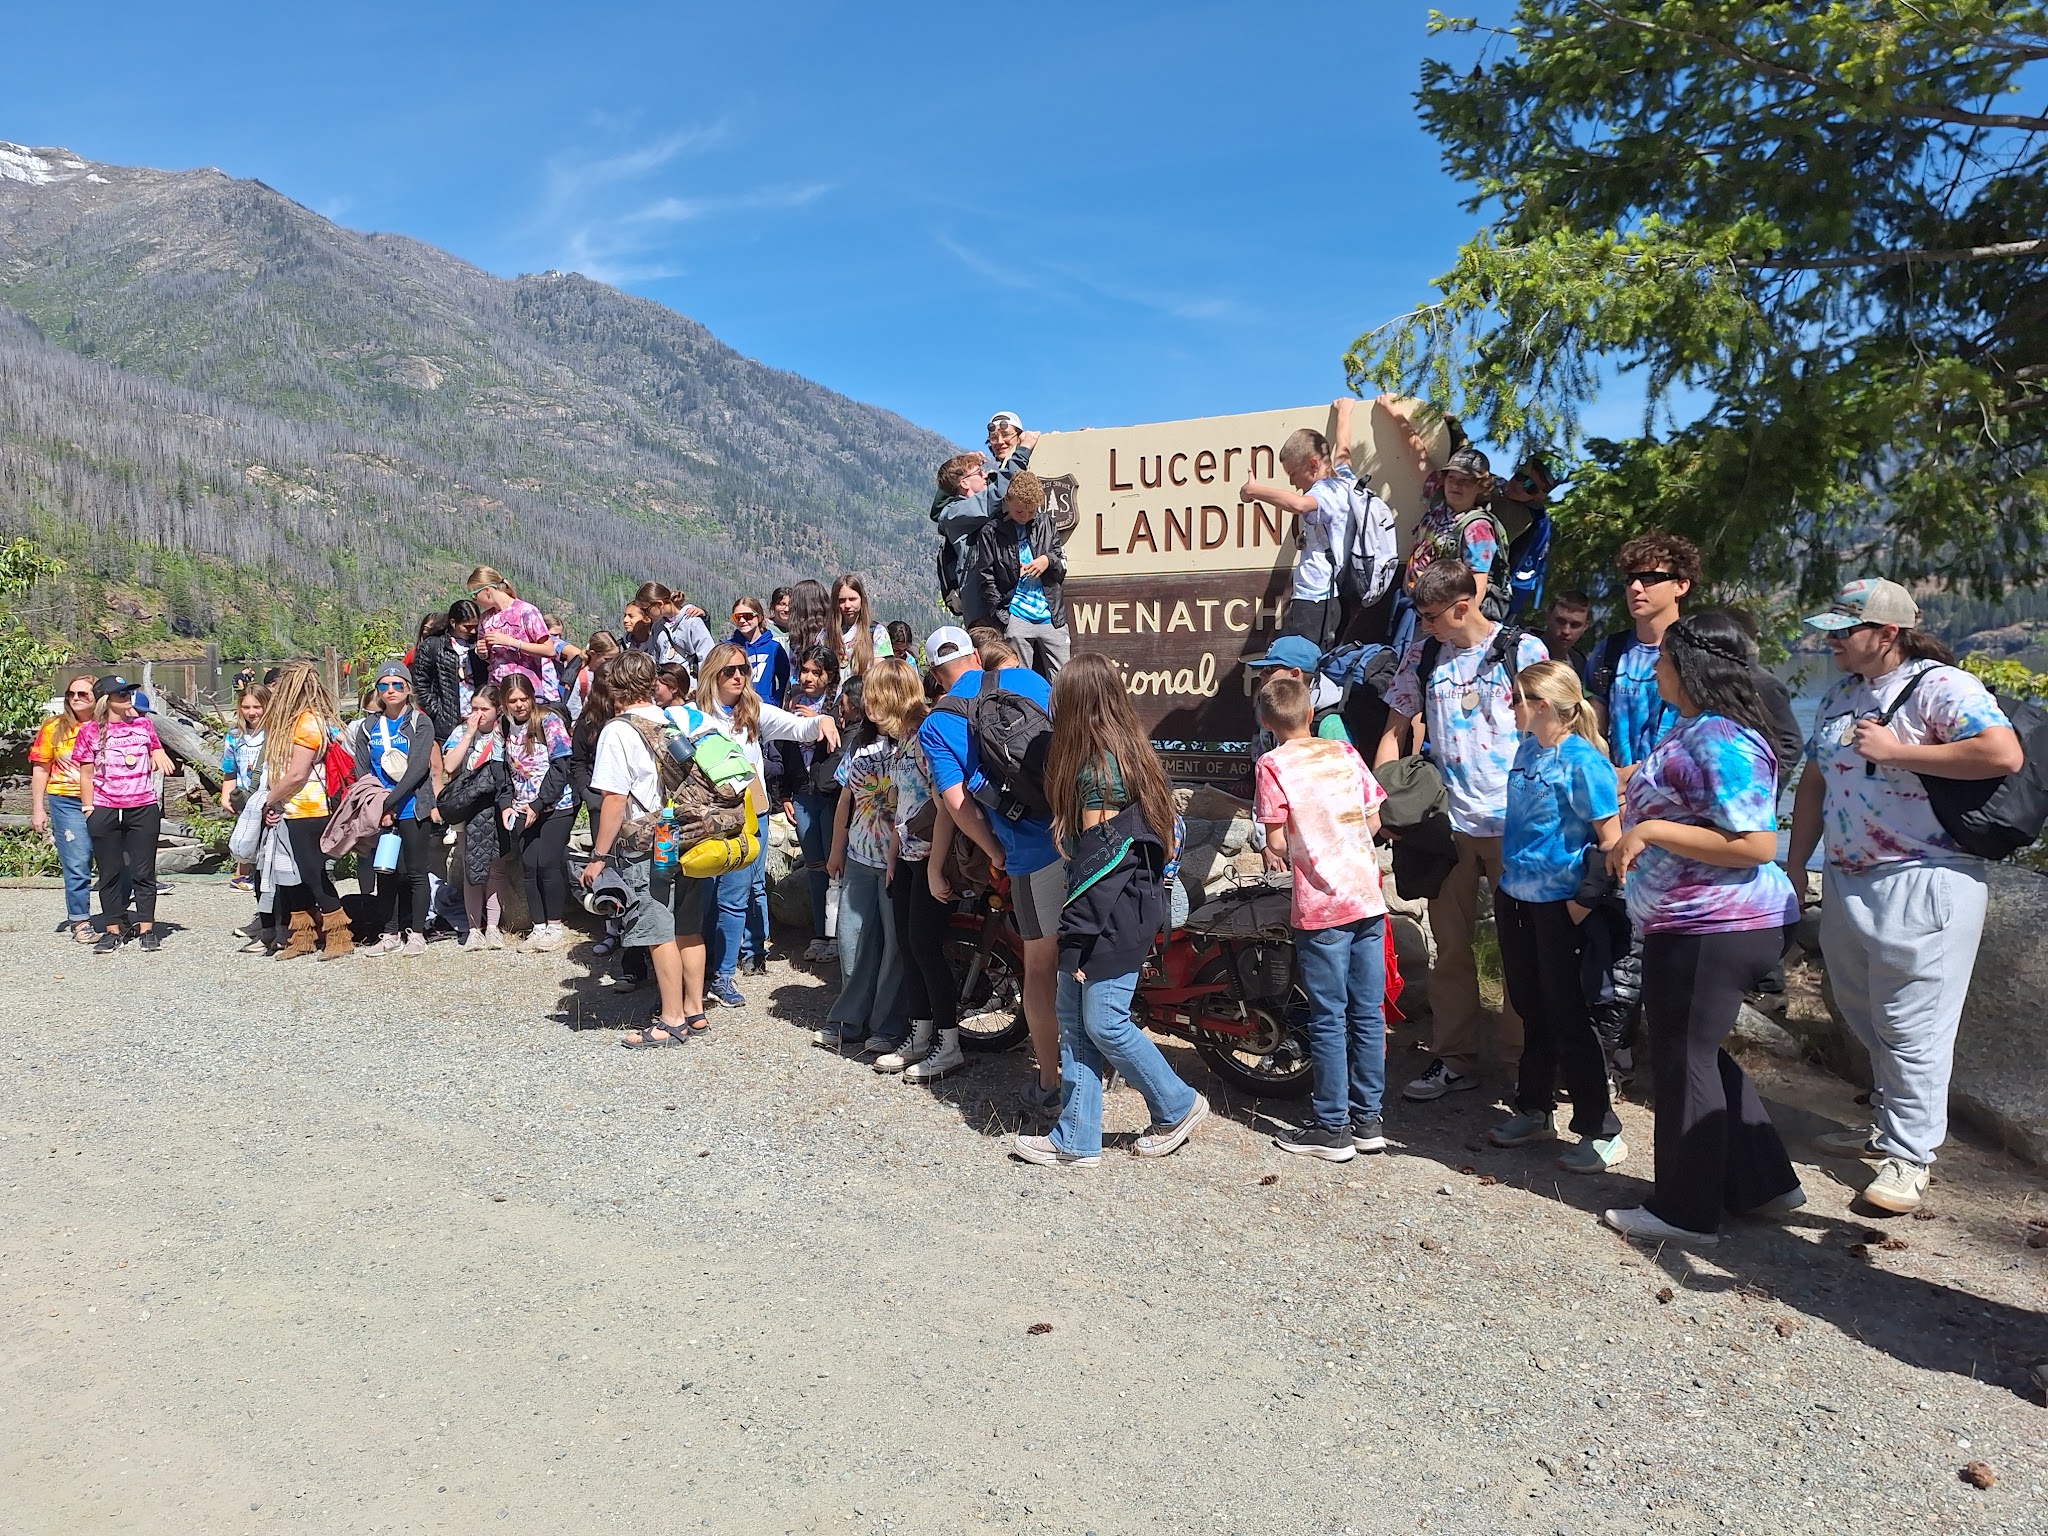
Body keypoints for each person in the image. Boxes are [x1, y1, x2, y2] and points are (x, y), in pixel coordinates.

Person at [1786, 580, 2023, 1215]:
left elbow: (2002, 753)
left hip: (1928, 875)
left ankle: (1910, 1157)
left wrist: (1900, 751)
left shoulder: (1943, 686)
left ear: (1887, 633)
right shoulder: (1841, 694)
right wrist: (1795, 862)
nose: (1831, 639)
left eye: (1845, 629)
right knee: (1864, 1011)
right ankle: (1887, 1125)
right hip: (1847, 874)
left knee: (1914, 1023)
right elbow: (1814, 781)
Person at [1600, 611, 1804, 1246]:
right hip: (1690, 920)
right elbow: (1662, 784)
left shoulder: (1723, 738)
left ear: (1691, 668)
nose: (1654, 668)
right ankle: (1765, 1182)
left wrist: (1650, 831)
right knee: (1699, 1049)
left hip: (1714, 923)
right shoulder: (1693, 726)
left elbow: (1755, 842)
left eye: (1663, 661)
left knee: (1682, 1056)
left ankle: (1685, 1211)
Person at [1015, 655, 1207, 1166]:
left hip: (1113, 914)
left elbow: (1100, 869)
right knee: (1076, 1018)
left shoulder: (1095, 771)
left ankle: (1177, 1103)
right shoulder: (1125, 749)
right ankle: (1076, 1139)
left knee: (1104, 1020)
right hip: (1131, 907)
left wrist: (1076, 939)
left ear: (1074, 703)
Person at [1376, 561, 1548, 1100]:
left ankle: (1526, 1063)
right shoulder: (1426, 654)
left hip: (1514, 823)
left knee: (1522, 948)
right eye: (1419, 616)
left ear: (1464, 605)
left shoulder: (1522, 651)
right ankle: (1454, 1058)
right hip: (1447, 824)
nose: (1424, 626)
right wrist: (1385, 805)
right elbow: (1395, 728)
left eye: (1431, 617)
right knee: (1450, 948)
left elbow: (1555, 731)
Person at [919, 628, 1064, 1116]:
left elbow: (957, 803)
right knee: (1085, 955)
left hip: (1028, 851)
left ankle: (1049, 1080)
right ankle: (1097, 1058)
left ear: (937, 676)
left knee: (1041, 967)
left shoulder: (937, 722)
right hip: (1078, 835)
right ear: (976, 657)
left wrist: (994, 850)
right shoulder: (1028, 680)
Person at [1491, 660, 1625, 1171]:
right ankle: (1534, 1106)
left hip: (1561, 905)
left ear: (1542, 705)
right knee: (1530, 1005)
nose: (1511, 706)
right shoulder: (1528, 747)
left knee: (1569, 1013)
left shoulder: (1583, 762)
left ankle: (1601, 1129)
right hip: (1515, 896)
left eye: (1518, 698)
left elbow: (1611, 842)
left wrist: (1581, 903)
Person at [1255, 675, 1391, 1161]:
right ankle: (1368, 1119)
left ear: (1267, 722)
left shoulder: (1272, 765)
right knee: (1367, 1011)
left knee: (1328, 1016)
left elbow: (1273, 839)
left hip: (1321, 907)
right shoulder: (1345, 753)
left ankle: (1331, 1126)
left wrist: (1283, 851)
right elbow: (1374, 818)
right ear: (1311, 714)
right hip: (1367, 898)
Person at [580, 650, 711, 1047]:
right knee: (688, 926)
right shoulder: (678, 718)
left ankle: (670, 1021)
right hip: (691, 834)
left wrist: (599, 856)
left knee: (658, 929)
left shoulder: (619, 730)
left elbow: (614, 800)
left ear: (614, 688)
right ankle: (695, 1011)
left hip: (649, 841)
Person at [696, 641, 837, 1007]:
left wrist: (821, 720)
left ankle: (722, 977)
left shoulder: (752, 710)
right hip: (708, 816)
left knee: (735, 897)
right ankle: (700, 971)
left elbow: (796, 728)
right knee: (705, 895)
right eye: (730, 670)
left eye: (743, 668)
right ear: (713, 674)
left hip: (748, 814)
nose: (739, 675)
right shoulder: (694, 717)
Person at [863, 659, 963, 1078]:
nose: (867, 707)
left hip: (929, 859)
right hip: (905, 858)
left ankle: (949, 1042)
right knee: (908, 945)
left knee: (927, 948)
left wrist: (936, 867)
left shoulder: (924, 736)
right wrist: (891, 857)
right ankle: (920, 1036)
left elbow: (944, 808)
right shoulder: (902, 740)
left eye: (873, 698)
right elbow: (899, 805)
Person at [816, 675, 908, 1050]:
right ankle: (850, 1018)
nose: (868, 705)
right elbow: (845, 799)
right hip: (858, 854)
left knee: (891, 946)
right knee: (852, 940)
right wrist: (836, 849)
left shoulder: (911, 743)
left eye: (874, 698)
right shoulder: (860, 744)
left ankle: (887, 1024)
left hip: (898, 857)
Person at [1238, 397, 1356, 649]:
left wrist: (1254, 491)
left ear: (1312, 464)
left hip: (1316, 598)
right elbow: (1343, 449)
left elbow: (1299, 505)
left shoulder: (1326, 493)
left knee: (1297, 671)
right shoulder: (1345, 480)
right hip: (1325, 599)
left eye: (1293, 473)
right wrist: (1344, 412)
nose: (1292, 483)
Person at [71, 676, 175, 954]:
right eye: (120, 694)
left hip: (141, 805)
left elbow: (154, 747)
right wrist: (88, 806)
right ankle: (113, 928)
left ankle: (146, 928)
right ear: (106, 700)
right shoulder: (89, 731)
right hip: (105, 806)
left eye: (129, 692)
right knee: (109, 872)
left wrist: (158, 752)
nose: (127, 697)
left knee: (143, 871)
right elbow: (86, 773)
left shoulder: (143, 725)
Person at [259, 661, 352, 961]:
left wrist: (269, 799)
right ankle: (302, 936)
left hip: (309, 809)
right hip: (289, 808)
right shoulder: (288, 723)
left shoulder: (308, 722)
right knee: (291, 876)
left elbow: (298, 773)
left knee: (313, 873)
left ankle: (339, 934)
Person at [1587, 533, 1698, 779]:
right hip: (1617, 797)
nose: (1635, 588)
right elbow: (1591, 727)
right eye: (1630, 580)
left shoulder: (1699, 653)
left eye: (1650, 578)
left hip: (1677, 801)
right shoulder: (1609, 651)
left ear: (1681, 586)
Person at [353, 662, 441, 959]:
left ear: (407, 688)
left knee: (416, 873)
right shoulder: (368, 727)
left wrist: (389, 804)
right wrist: (377, 805)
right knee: (386, 872)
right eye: (384, 686)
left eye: (397, 685)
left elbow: (418, 768)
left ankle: (416, 932)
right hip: (381, 810)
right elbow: (362, 770)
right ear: (377, 691)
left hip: (413, 807)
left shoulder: (419, 722)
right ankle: (389, 932)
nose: (390, 691)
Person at [498, 673, 577, 954]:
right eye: (512, 701)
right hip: (521, 805)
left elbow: (561, 766)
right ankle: (538, 926)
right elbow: (502, 770)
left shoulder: (549, 721)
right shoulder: (504, 727)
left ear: (532, 698)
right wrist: (506, 801)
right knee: (529, 866)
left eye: (523, 699)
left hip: (555, 804)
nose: (519, 705)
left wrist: (539, 803)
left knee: (548, 864)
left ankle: (555, 926)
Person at [773, 645, 843, 964]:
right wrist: (785, 794)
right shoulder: (791, 703)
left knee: (833, 865)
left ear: (830, 676)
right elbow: (786, 751)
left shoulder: (839, 705)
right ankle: (819, 931)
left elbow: (844, 744)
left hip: (829, 796)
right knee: (814, 865)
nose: (809, 677)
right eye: (804, 671)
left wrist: (820, 720)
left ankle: (838, 933)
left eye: (817, 672)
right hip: (802, 792)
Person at [972, 470, 1071, 680]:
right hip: (1015, 616)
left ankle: (1061, 714)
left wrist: (1047, 560)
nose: (1025, 517)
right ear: (1007, 500)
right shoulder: (991, 532)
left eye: (1030, 512)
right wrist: (1003, 615)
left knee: (1063, 679)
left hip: (1051, 616)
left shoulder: (1046, 524)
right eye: (1019, 511)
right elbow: (986, 578)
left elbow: (1061, 566)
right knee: (1019, 679)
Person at [932, 427, 1037, 624]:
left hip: (1005, 602)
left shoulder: (969, 510)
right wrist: (1023, 450)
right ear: (964, 483)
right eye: (979, 472)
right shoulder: (954, 513)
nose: (985, 476)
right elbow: (995, 495)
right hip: (983, 608)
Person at [441, 688, 513, 951]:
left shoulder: (505, 732)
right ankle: (474, 929)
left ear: (497, 711)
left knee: (496, 867)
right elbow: (449, 765)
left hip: (496, 804)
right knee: (471, 867)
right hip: (468, 805)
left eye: (484, 709)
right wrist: (469, 734)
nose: (478, 714)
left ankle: (493, 926)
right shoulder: (461, 732)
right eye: (474, 708)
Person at [30, 675, 99, 942]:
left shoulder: (107, 726)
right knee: (77, 861)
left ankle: (117, 916)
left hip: (105, 800)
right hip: (66, 800)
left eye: (83, 694)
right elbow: (40, 768)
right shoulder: (53, 727)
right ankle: (80, 920)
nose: (75, 699)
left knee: (116, 859)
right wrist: (38, 808)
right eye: (71, 694)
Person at [1404, 445, 1506, 616]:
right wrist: (1399, 417)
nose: (1456, 485)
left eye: (1466, 480)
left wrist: (1458, 622)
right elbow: (1419, 458)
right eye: (1452, 477)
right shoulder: (1438, 500)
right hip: (1410, 602)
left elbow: (1477, 584)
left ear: (1482, 486)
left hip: (1436, 616)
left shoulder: (1477, 528)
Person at [469, 567, 578, 700]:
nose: (474, 600)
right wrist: (483, 652)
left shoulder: (526, 611)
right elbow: (489, 658)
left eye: (474, 595)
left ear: (487, 590)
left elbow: (549, 650)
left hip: (526, 691)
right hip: (498, 691)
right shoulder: (485, 619)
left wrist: (510, 642)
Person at [1246, 634, 1352, 751]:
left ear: (1294, 674)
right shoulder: (1270, 721)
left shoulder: (1329, 725)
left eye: (1270, 668)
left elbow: (1347, 768)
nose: (1261, 674)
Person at [413, 599, 484, 740]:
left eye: (476, 626)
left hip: (479, 720)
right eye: (467, 627)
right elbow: (420, 682)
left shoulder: (479, 644)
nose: (473, 631)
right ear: (453, 623)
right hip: (446, 724)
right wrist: (436, 713)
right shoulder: (433, 645)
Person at [623, 581, 713, 675]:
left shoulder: (692, 622)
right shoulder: (657, 626)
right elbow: (654, 657)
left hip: (691, 687)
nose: (645, 614)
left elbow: (707, 657)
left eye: (645, 609)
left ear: (660, 604)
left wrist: (701, 687)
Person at [728, 595, 790, 707]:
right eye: (737, 617)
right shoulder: (727, 648)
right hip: (735, 708)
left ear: (760, 617)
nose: (742, 621)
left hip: (765, 710)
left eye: (747, 616)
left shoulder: (774, 648)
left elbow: (785, 679)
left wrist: (775, 702)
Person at [832, 574, 893, 676]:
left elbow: (880, 674)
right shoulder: (826, 635)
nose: (847, 605)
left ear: (862, 600)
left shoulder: (877, 633)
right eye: (842, 600)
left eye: (852, 599)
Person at [1541, 591, 1594, 683]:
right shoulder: (1522, 651)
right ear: (1548, 617)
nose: (1566, 631)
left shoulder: (1580, 665)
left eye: (1575, 625)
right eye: (1560, 621)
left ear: (1585, 626)